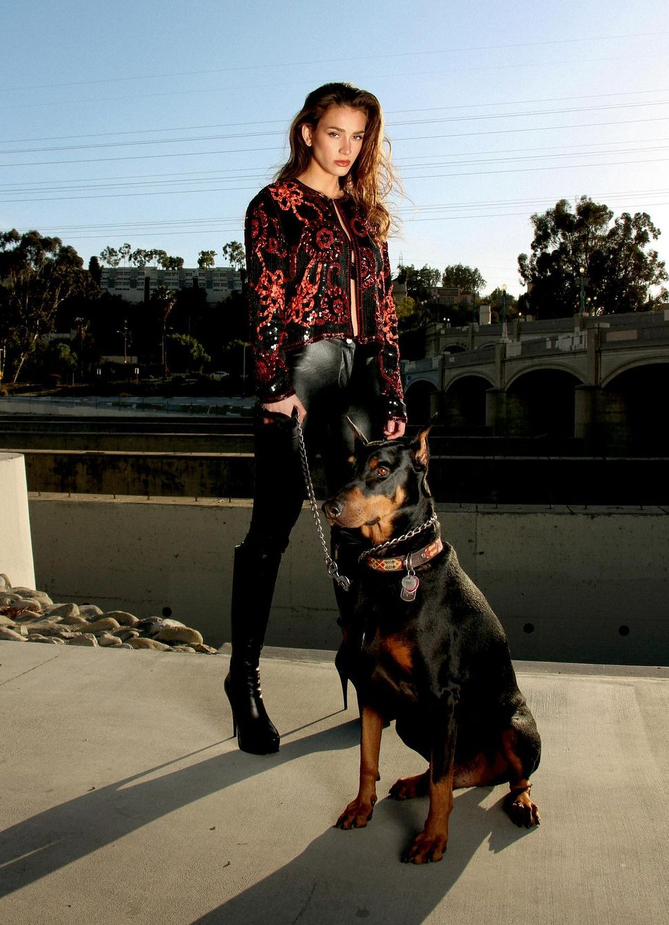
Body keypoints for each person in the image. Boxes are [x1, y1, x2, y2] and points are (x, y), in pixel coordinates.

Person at [225, 82, 407, 755]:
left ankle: (362, 668)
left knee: (360, 533)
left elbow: (383, 312)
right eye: (335, 133)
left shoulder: (364, 216)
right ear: (307, 131)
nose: (347, 148)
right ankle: (243, 681)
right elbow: (265, 297)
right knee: (270, 530)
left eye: (358, 137)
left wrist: (393, 395)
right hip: (299, 371)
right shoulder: (275, 205)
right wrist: (274, 384)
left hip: (358, 379)